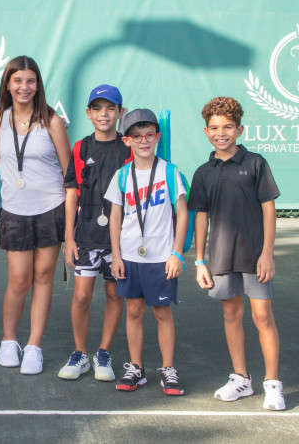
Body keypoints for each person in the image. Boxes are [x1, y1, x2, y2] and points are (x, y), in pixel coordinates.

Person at [188, 96, 284, 410]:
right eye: (214, 127)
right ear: (206, 132)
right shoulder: (203, 173)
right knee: (231, 314)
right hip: (220, 257)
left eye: (228, 126)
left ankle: (272, 384)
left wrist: (267, 253)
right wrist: (200, 260)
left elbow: (269, 209)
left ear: (239, 129)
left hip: (255, 255)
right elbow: (200, 216)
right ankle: (241, 379)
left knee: (261, 316)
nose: (221, 132)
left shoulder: (256, 163)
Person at [0, 56, 70, 375]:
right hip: (15, 210)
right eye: (18, 80)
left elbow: (68, 172)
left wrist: (71, 223)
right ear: (8, 84)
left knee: (43, 276)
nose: (24, 87)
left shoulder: (53, 122)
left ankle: (34, 345)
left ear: (38, 85)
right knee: (18, 280)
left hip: (50, 208)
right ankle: (9, 341)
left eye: (30, 81)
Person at [104, 109, 188, 395]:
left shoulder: (169, 171)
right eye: (137, 136)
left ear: (157, 137)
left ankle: (168, 368)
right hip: (129, 256)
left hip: (161, 258)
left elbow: (183, 213)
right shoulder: (122, 174)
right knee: (134, 310)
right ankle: (136, 367)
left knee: (162, 312)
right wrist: (115, 255)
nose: (144, 141)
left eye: (149, 135)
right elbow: (116, 216)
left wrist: (177, 253)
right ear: (127, 140)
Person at [58, 85, 131, 382]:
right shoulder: (80, 148)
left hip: (120, 239)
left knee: (114, 293)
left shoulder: (128, 148)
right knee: (81, 296)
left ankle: (103, 352)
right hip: (85, 236)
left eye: (111, 108)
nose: (104, 114)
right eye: (98, 109)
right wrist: (69, 237)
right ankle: (80, 353)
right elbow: (71, 193)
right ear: (88, 114)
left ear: (120, 113)